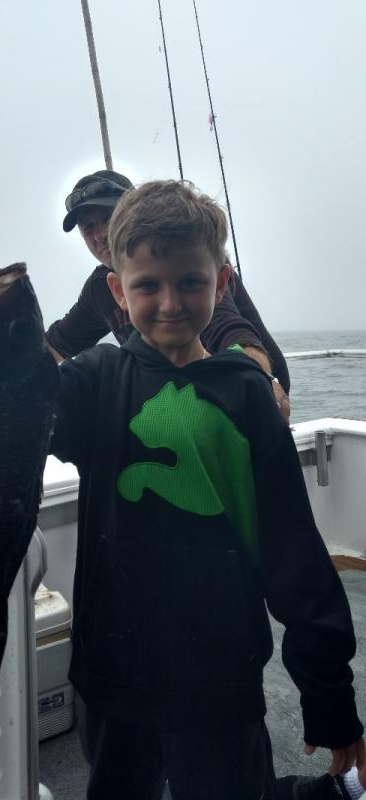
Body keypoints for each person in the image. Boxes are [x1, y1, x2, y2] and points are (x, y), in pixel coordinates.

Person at [48, 179, 364, 800]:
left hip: (221, 678)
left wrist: (328, 694)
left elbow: (295, 556)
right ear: (118, 290)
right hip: (110, 673)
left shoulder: (245, 392)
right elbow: (9, 415)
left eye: (190, 282)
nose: (170, 302)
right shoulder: (92, 381)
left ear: (221, 284)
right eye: (147, 286)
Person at [46, 169, 291, 421]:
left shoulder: (189, 261)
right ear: (118, 290)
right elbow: (56, 343)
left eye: (107, 218)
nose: (99, 235)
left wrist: (259, 381)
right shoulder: (99, 287)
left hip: (243, 400)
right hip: (177, 408)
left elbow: (229, 330)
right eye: (88, 228)